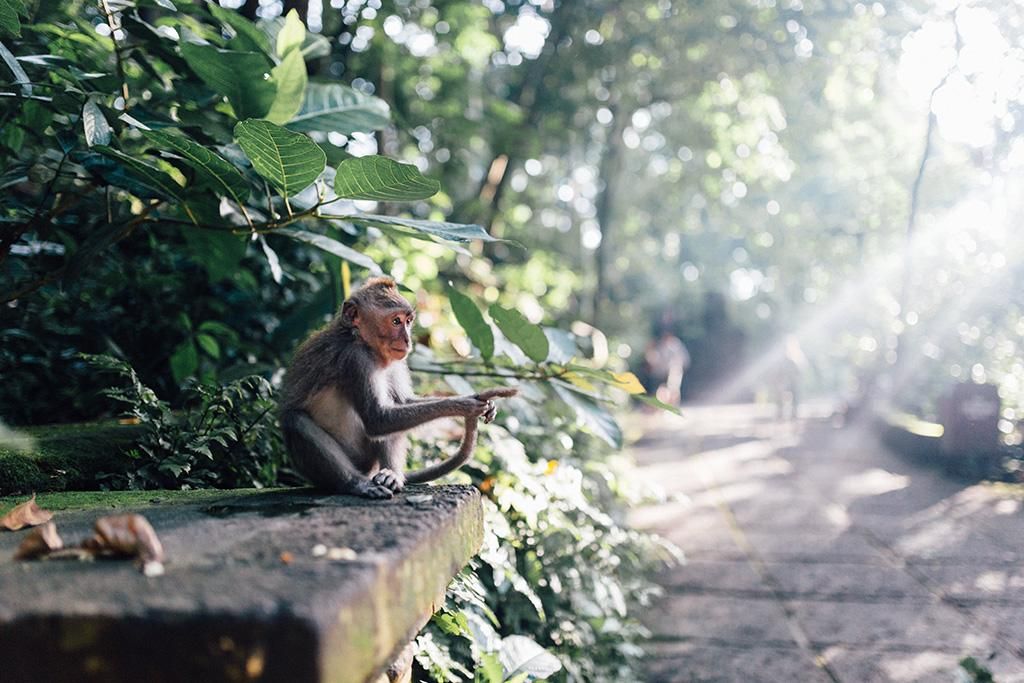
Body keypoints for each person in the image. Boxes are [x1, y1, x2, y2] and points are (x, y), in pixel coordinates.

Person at [643, 325, 690, 407]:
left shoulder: (676, 345)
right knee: (663, 390)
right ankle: (664, 407)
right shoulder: (661, 346)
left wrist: (678, 367)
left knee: (673, 390)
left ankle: (673, 406)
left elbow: (684, 359)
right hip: (663, 373)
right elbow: (657, 360)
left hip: (674, 371)